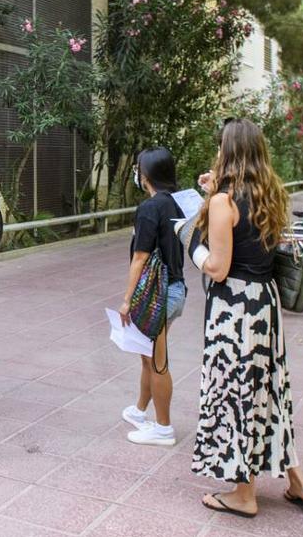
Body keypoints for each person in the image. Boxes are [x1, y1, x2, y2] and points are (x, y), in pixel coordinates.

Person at [186, 119, 303, 518]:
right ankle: (298, 484)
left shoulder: (225, 202)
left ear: (227, 151)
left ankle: (244, 495)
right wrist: (212, 193)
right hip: (266, 304)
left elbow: (219, 266)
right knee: (270, 391)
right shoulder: (271, 193)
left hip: (235, 311)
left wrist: (194, 247)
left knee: (236, 394)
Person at [119, 147, 186, 447]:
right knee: (148, 356)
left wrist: (126, 300)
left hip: (158, 292)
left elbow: (140, 258)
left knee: (158, 362)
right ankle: (140, 410)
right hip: (176, 288)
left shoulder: (149, 209)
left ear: (145, 175)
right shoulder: (178, 202)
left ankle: (163, 428)